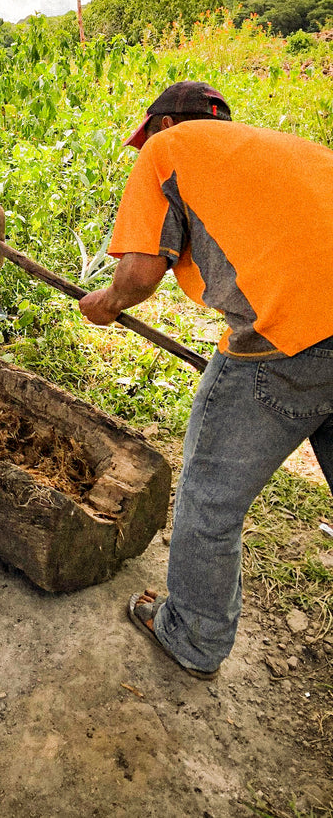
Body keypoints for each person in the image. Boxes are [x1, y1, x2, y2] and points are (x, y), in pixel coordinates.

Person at [78, 80, 333, 680]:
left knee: (209, 499)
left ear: (164, 125)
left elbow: (141, 274)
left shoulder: (167, 150)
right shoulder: (289, 149)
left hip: (290, 337)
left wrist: (110, 302)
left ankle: (193, 634)